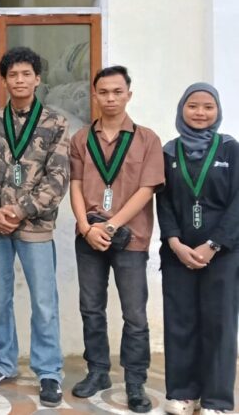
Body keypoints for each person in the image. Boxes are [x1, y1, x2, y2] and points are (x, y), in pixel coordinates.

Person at [0, 47, 69, 407]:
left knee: (44, 302)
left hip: (36, 226)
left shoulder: (55, 123)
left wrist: (19, 210)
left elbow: (58, 177)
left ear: (37, 78)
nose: (19, 80)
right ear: (4, 80)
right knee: (0, 300)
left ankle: (49, 372)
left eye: (26, 74)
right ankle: (3, 364)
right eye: (12, 74)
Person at [69, 66, 164, 413]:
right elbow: (76, 185)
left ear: (129, 95)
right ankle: (97, 371)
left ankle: (135, 381)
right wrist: (85, 227)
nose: (110, 98)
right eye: (104, 92)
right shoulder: (81, 139)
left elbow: (147, 189)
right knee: (91, 308)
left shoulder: (147, 139)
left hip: (131, 238)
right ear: (95, 95)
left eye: (117, 92)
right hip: (89, 236)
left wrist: (110, 226)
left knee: (134, 314)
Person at [157, 83, 239, 415]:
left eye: (208, 106)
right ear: (182, 109)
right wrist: (174, 242)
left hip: (223, 254)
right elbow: (163, 201)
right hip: (178, 254)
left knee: (219, 324)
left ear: (217, 111)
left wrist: (214, 244)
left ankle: (217, 401)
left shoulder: (230, 149)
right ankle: (182, 394)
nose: (200, 113)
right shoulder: (168, 151)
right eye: (193, 106)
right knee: (180, 322)